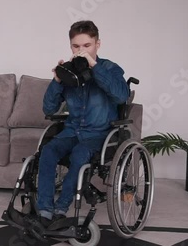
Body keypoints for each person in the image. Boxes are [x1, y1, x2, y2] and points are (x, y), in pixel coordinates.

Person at [36, 20, 129, 226]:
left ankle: (62, 207)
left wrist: (94, 67)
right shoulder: (69, 72)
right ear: (71, 47)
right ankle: (44, 210)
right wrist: (57, 80)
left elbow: (121, 96)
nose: (81, 50)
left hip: (98, 135)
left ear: (98, 44)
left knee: (80, 154)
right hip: (71, 131)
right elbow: (49, 109)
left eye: (87, 45)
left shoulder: (110, 68)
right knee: (48, 151)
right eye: (76, 46)